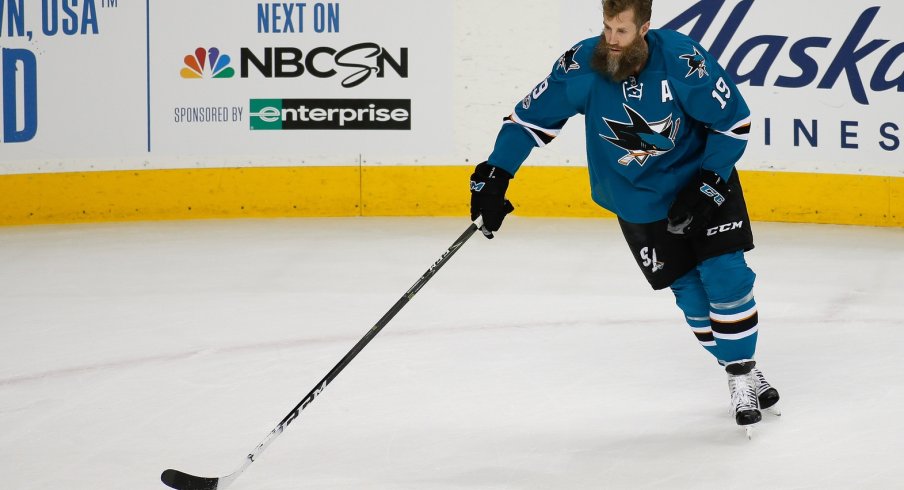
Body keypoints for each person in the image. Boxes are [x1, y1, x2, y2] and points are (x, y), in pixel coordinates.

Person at [468, 0, 780, 431]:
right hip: (637, 201)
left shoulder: (684, 62)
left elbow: (734, 123)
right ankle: (741, 361)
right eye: (607, 28)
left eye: (622, 31)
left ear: (645, 28)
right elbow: (527, 121)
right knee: (691, 298)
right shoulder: (582, 64)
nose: (611, 40)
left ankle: (740, 374)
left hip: (702, 184)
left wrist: (709, 182)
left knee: (727, 275)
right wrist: (496, 173)